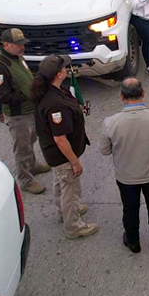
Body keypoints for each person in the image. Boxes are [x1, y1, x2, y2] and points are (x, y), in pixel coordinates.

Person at [99, 78, 149, 253]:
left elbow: (104, 150)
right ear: (143, 94)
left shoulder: (110, 122)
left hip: (126, 177)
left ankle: (133, 241)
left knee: (130, 208)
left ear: (121, 96)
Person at [32, 55, 98, 240]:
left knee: (60, 184)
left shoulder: (50, 91)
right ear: (58, 74)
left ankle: (64, 212)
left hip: (54, 154)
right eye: (65, 68)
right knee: (70, 190)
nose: (67, 70)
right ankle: (73, 227)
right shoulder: (55, 105)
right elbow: (60, 138)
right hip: (62, 155)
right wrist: (75, 162)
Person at [0, 28, 49, 195]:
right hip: (18, 115)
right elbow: (2, 96)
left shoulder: (17, 56)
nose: (22, 47)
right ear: (6, 44)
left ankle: (32, 165)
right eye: (19, 45)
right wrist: (27, 94)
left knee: (31, 139)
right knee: (22, 147)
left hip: (29, 110)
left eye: (23, 44)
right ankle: (25, 179)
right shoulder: (1, 67)